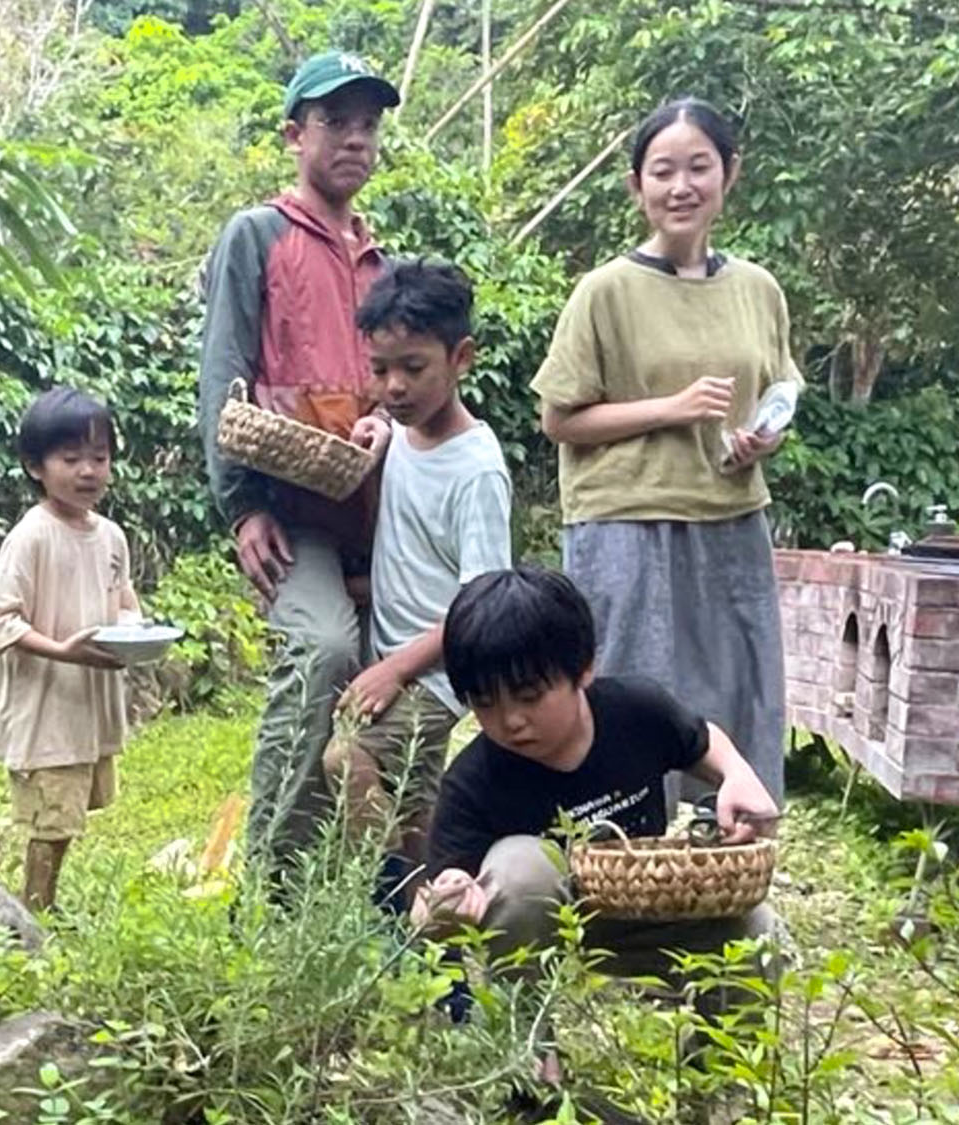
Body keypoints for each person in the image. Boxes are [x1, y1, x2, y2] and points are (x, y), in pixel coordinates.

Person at [531, 97, 800, 807]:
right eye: (662, 171)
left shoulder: (759, 290)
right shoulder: (604, 292)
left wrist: (764, 436)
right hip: (625, 523)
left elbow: (780, 388)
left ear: (729, 175)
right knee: (629, 694)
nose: (681, 186)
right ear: (637, 186)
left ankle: (730, 858)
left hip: (732, 520)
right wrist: (671, 408)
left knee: (740, 688)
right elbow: (558, 417)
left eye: (698, 167)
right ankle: (622, 857)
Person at [196, 50, 401, 872]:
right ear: (295, 134)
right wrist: (243, 505)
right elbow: (224, 371)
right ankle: (273, 879)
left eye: (368, 124)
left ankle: (373, 881)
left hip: (378, 510)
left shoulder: (382, 260)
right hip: (295, 514)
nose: (354, 139)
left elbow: (398, 382)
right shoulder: (260, 235)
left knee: (390, 686)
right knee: (319, 652)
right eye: (334, 122)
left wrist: (385, 424)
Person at [411, 567, 781, 1003]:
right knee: (521, 865)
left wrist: (737, 774)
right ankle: (530, 1045)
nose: (511, 720)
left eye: (529, 697)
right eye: (485, 703)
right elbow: (430, 905)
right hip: (544, 924)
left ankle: (719, 1065)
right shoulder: (471, 782)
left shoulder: (636, 711)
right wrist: (446, 903)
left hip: (647, 910)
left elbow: (700, 740)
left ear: (583, 669)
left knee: (757, 931)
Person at [322, 259, 511, 905]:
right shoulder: (398, 434)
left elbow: (480, 602)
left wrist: (395, 669)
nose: (394, 386)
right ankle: (447, 943)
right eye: (379, 370)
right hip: (397, 656)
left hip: (437, 669)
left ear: (461, 357)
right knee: (416, 810)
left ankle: (397, 913)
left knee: (346, 760)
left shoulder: (478, 469)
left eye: (413, 367)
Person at [0, 387, 140, 913]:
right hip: (45, 704)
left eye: (100, 457)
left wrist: (135, 630)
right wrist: (65, 651)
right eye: (71, 459)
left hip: (86, 702)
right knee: (51, 817)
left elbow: (124, 598)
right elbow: (0, 622)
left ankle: (43, 905)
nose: (88, 471)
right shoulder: (30, 537)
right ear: (35, 466)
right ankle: (35, 911)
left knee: (68, 812)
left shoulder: (111, 536)